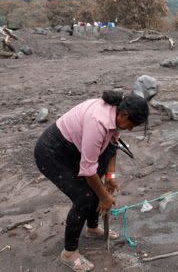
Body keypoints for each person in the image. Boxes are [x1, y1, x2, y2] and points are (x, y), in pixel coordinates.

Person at [34, 91, 149, 272]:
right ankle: (69, 253)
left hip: (72, 147)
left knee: (99, 180)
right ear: (124, 114)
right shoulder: (98, 121)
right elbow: (88, 171)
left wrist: (110, 177)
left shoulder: (116, 113)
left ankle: (92, 228)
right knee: (85, 196)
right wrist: (104, 197)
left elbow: (112, 143)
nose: (131, 129)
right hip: (52, 152)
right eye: (132, 124)